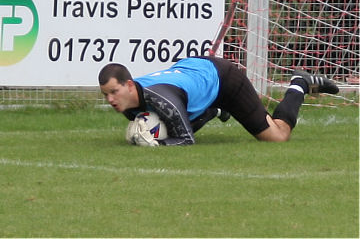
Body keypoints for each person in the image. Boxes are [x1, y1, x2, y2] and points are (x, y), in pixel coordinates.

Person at [98, 56, 339, 146]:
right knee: (174, 121)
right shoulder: (127, 101)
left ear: (129, 85)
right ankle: (213, 108)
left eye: (113, 92)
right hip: (193, 72)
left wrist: (154, 144)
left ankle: (300, 83)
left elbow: (186, 140)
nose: (110, 100)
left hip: (224, 79)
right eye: (105, 94)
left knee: (278, 136)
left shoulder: (162, 98)